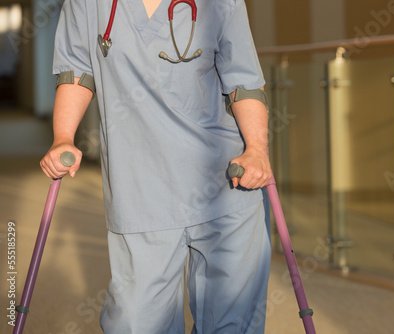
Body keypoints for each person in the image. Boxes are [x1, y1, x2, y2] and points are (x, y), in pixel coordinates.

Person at [40, 0, 272, 332]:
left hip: (226, 181)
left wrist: (257, 151)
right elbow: (76, 72)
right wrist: (63, 137)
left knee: (233, 323)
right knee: (137, 322)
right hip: (141, 187)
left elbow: (244, 82)